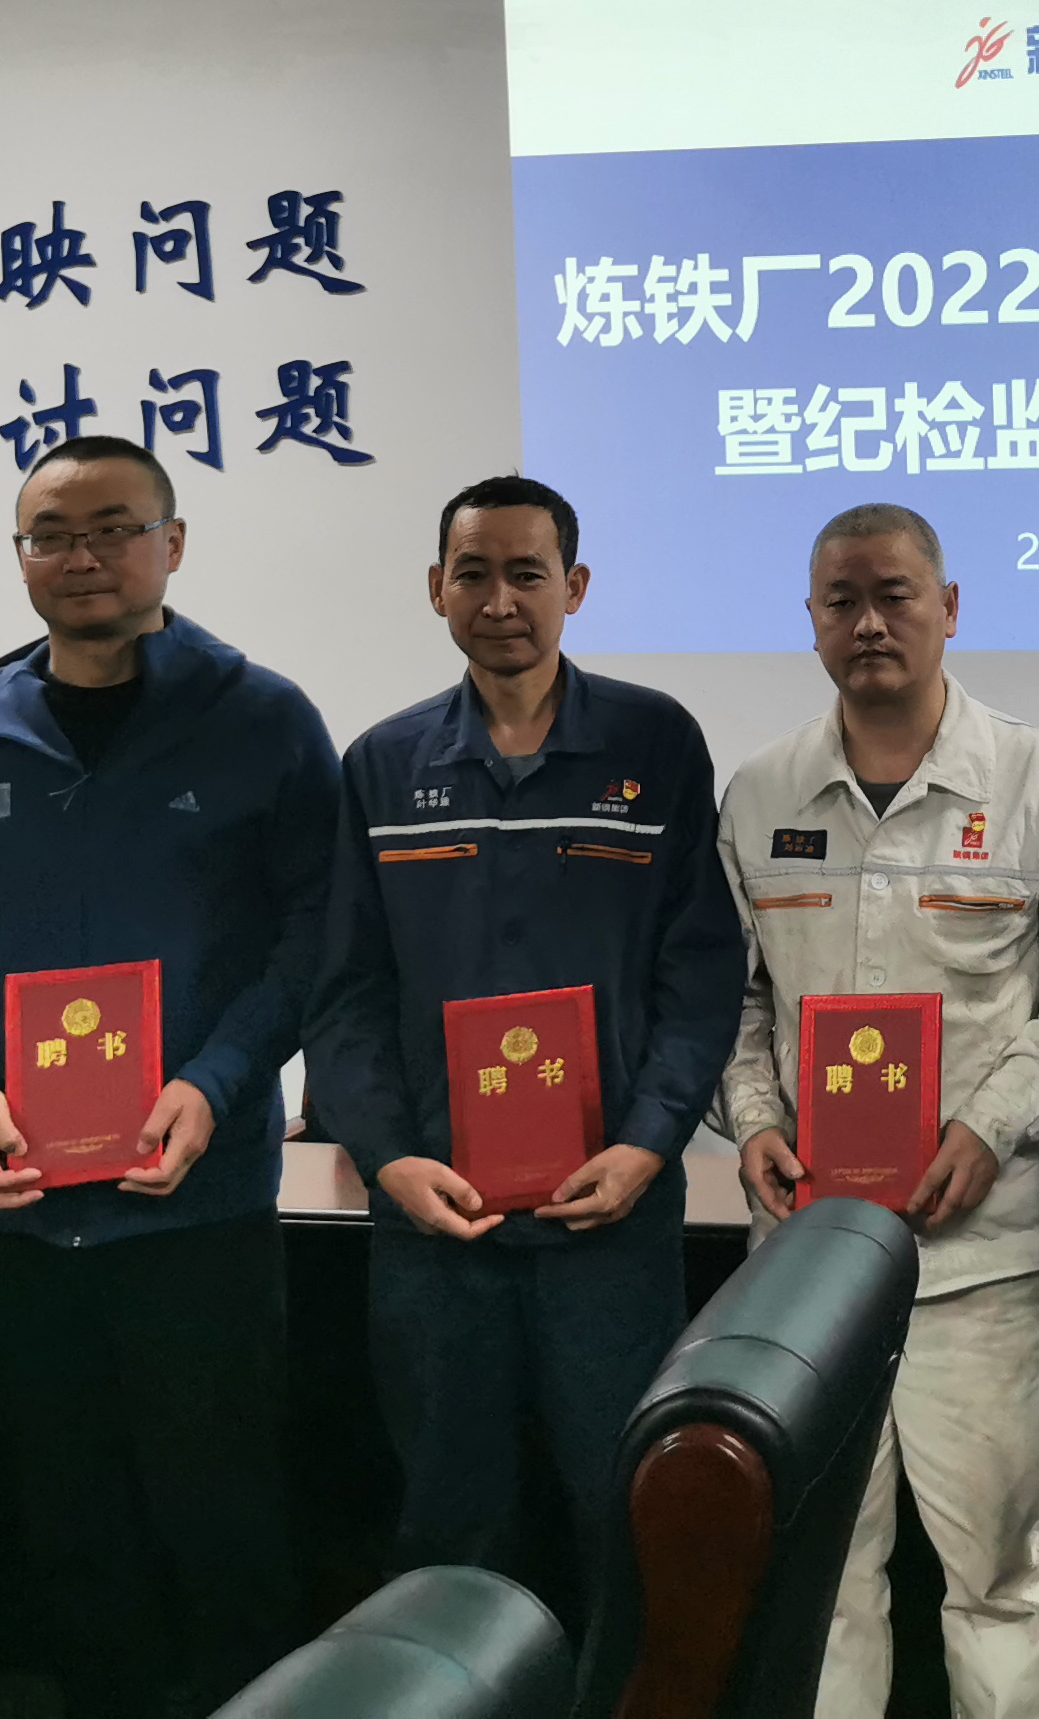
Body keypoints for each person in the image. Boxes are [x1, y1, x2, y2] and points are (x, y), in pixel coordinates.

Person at [0, 436, 338, 1719]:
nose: (84, 558)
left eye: (115, 528)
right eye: (52, 536)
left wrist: (216, 1082)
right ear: (20, 560)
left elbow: (316, 939)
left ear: (173, 545)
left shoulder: (263, 719)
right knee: (66, 1535)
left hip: (198, 1207)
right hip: (21, 1216)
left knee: (225, 1525)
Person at [303, 474, 745, 1614]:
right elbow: (343, 995)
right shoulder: (384, 764)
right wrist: (392, 1161)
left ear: (575, 587)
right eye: (474, 574)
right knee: (447, 1518)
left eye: (526, 574)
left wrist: (648, 1145)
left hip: (608, 1219)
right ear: (436, 588)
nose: (500, 600)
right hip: (435, 1227)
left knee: (621, 1507)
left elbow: (700, 975)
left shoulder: (653, 743)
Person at [717, 502, 1039, 1719]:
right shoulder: (761, 793)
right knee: (824, 1578)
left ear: (949, 609)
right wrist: (753, 1120)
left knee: (994, 1579)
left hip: (980, 1259)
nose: (869, 623)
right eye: (842, 601)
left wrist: (990, 1126)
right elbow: (729, 1000)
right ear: (810, 621)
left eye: (895, 596)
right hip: (806, 1266)